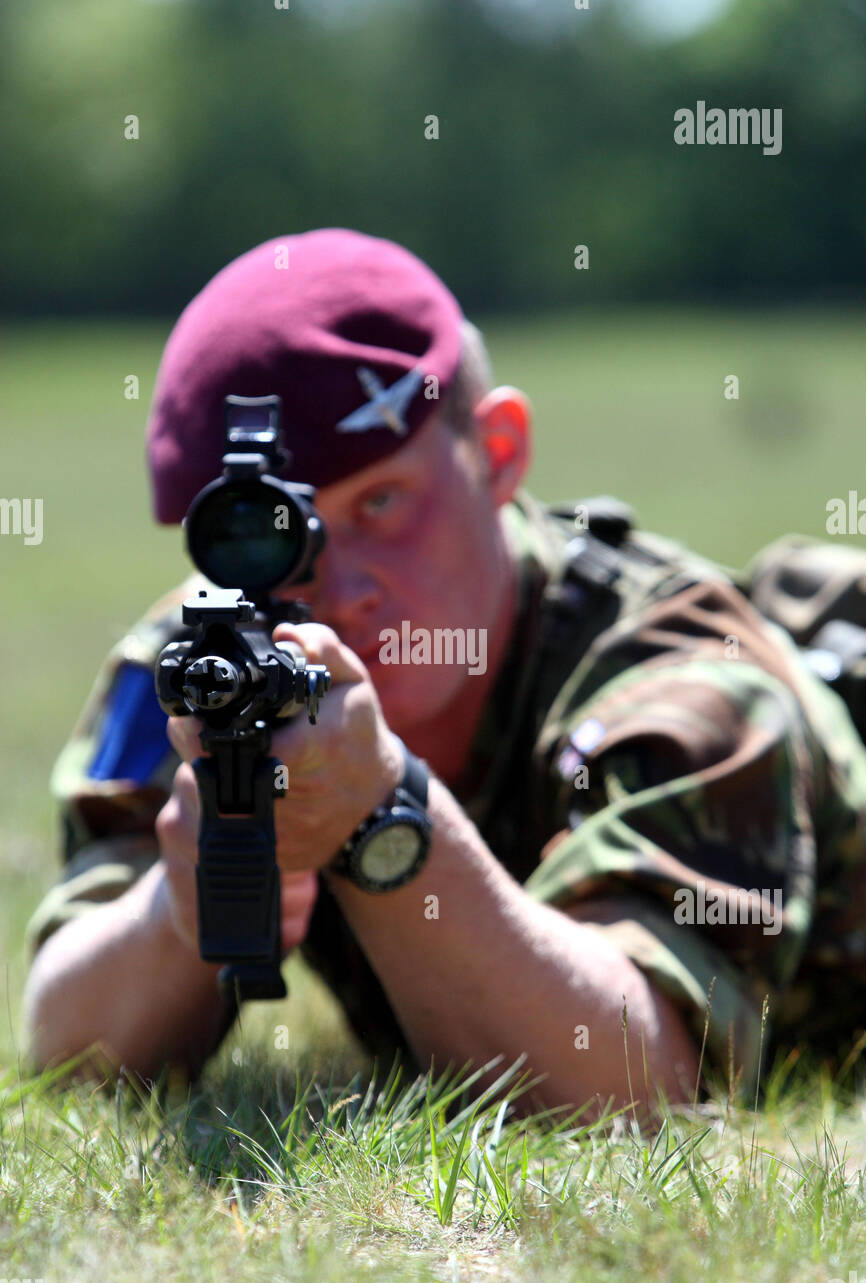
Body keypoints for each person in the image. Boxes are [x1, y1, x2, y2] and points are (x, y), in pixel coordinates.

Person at [23, 229, 866, 1120]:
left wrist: (382, 818)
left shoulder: (687, 678)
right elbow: (64, 1042)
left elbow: (634, 1082)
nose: (340, 591)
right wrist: (182, 910)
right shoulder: (208, 663)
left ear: (496, 450)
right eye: (271, 540)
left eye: (381, 503)